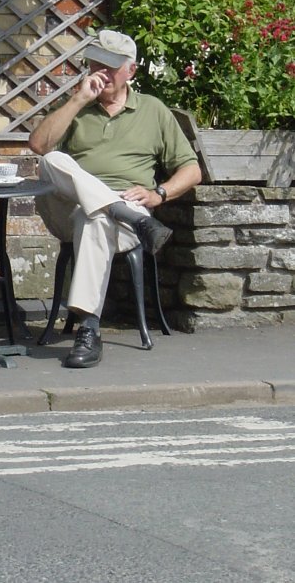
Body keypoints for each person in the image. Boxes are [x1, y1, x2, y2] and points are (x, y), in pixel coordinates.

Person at [28, 29, 201, 369]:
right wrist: (78, 100)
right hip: (73, 208)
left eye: (110, 65)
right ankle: (132, 217)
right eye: (96, 63)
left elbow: (191, 171)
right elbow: (38, 145)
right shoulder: (76, 106)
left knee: (95, 219)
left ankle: (88, 330)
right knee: (51, 161)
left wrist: (158, 193)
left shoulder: (152, 110)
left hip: (123, 206)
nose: (101, 72)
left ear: (130, 70)